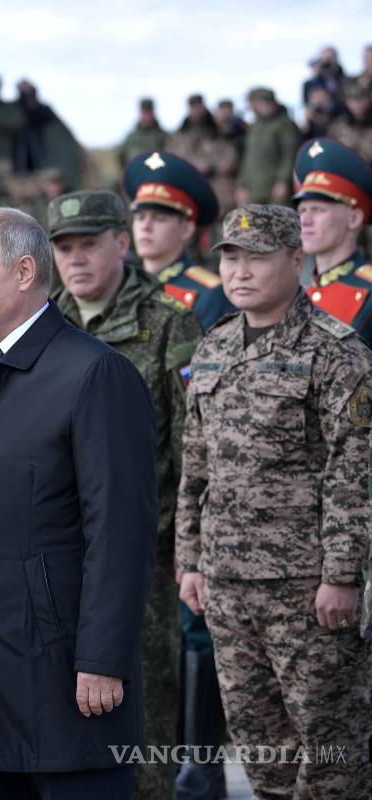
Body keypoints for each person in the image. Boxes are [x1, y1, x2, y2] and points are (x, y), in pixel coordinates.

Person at [0, 208, 157, 799]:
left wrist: (104, 657)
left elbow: (120, 532)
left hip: (62, 685)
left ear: (24, 271)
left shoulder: (95, 374)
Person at [177, 204, 372, 799]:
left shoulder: (337, 353)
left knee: (331, 753)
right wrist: (190, 560)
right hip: (230, 587)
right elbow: (197, 464)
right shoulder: (213, 348)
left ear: (296, 260)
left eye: (257, 257)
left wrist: (341, 575)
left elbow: (354, 470)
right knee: (263, 752)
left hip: (306, 590)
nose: (239, 271)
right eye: (230, 257)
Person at [47, 190, 202, 800]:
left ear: (120, 242)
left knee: (143, 712)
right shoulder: (43, 320)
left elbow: (195, 448)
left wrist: (186, 547)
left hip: (144, 552)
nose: (77, 259)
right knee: (61, 716)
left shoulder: (168, 320)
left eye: (89, 244)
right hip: (56, 551)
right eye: (64, 247)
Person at [124, 150, 235, 328]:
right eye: (140, 217)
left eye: (159, 218)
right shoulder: (123, 286)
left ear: (186, 229)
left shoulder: (209, 293)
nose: (146, 226)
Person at [294, 136, 372, 345]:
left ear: (353, 218)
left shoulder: (368, 291)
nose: (305, 220)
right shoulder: (296, 294)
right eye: (302, 210)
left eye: (318, 210)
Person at [235, 87, 299, 206]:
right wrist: (242, 184)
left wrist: (283, 181)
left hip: (274, 189)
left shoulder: (284, 125)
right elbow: (248, 159)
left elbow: (289, 156)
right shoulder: (255, 127)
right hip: (254, 190)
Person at [118, 98, 168, 171]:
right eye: (144, 113)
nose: (147, 116)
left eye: (149, 113)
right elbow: (121, 158)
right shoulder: (131, 138)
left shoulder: (164, 136)